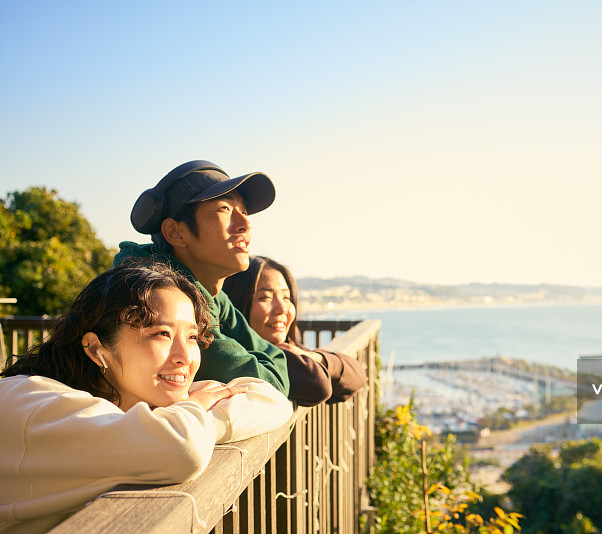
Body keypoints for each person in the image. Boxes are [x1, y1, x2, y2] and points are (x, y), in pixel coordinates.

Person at [0, 262, 293, 534]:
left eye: (192, 337)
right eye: (161, 334)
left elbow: (271, 399)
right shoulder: (32, 404)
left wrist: (192, 415)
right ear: (96, 348)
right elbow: (181, 448)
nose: (184, 358)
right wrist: (190, 414)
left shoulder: (130, 398)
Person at [113, 160, 290, 397]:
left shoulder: (211, 294)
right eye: (224, 209)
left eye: (244, 211)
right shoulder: (158, 299)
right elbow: (273, 385)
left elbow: (277, 361)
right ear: (175, 232)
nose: (245, 224)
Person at [223, 256, 366, 405]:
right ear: (235, 303)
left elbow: (357, 376)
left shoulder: (287, 347)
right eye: (265, 297)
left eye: (286, 297)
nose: (282, 308)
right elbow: (318, 384)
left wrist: (314, 356)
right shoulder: (243, 360)